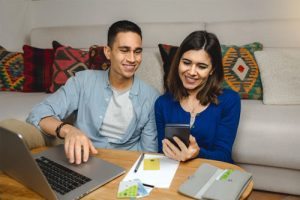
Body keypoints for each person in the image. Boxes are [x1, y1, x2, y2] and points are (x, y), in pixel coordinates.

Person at [27, 20, 159, 165]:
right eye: (124, 50)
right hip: (83, 162)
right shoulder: (83, 81)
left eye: (137, 51)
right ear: (108, 52)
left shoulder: (151, 97)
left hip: (126, 166)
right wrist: (69, 131)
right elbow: (38, 113)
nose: (132, 59)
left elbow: (149, 153)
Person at [155, 31, 241, 163]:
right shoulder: (162, 103)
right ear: (178, 62)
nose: (192, 72)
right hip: (174, 173)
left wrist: (198, 153)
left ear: (212, 69)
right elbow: (162, 151)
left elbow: (224, 156)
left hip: (213, 173)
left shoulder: (230, 100)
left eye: (201, 66)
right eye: (186, 62)